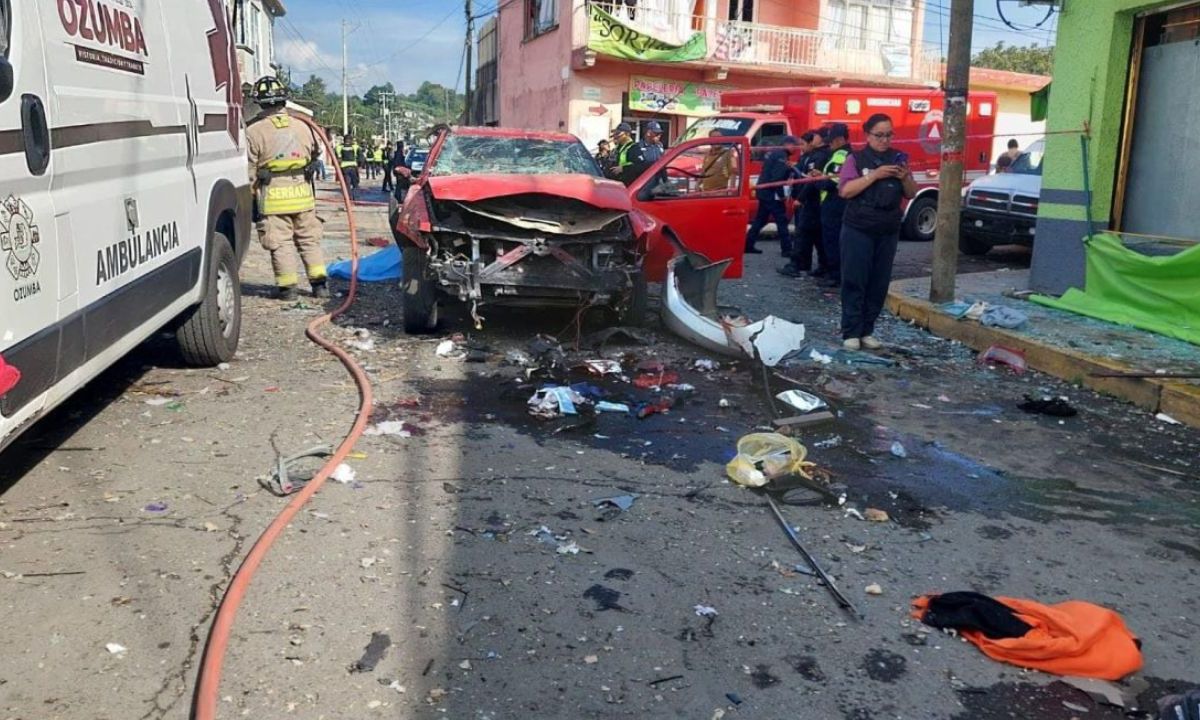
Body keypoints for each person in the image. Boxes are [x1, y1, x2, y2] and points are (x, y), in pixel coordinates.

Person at [836, 113, 918, 351]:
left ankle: (867, 330)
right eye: (879, 135)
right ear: (868, 135)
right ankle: (851, 331)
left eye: (889, 135)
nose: (884, 140)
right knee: (854, 279)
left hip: (888, 229)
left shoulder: (898, 159)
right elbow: (846, 191)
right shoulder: (856, 159)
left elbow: (911, 193)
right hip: (858, 227)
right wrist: (874, 175)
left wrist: (904, 178)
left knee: (879, 282)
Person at [245, 76, 328, 301]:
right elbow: (315, 154)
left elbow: (249, 169)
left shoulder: (253, 131)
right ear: (284, 100)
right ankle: (320, 286)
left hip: (273, 197)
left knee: (280, 243)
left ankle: (288, 289)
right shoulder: (303, 126)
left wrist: (251, 196)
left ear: (260, 102)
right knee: (309, 240)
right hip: (303, 194)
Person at [779, 130, 830, 277]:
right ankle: (820, 265)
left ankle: (796, 265)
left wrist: (800, 198)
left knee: (803, 234)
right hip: (810, 201)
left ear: (812, 142)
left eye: (803, 144)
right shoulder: (809, 156)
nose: (800, 147)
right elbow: (803, 172)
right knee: (816, 236)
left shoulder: (819, 156)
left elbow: (811, 181)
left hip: (812, 202)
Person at [744, 136, 798, 255]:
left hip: (764, 191)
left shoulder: (775, 153)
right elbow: (777, 179)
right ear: (788, 144)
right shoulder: (781, 156)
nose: (795, 149)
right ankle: (787, 249)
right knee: (781, 220)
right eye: (795, 146)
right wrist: (782, 195)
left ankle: (748, 244)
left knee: (760, 220)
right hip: (771, 193)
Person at [817, 123, 851, 286]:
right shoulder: (841, 153)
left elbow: (835, 180)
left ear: (839, 140)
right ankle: (834, 273)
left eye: (831, 141)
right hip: (834, 203)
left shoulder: (842, 155)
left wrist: (821, 180)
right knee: (833, 240)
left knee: (833, 241)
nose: (829, 144)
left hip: (835, 203)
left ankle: (835, 275)